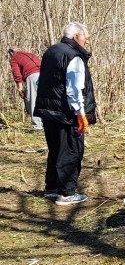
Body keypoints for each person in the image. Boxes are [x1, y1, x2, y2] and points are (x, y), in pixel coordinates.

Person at [33, 22, 96, 205]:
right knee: (71, 150)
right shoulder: (73, 56)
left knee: (55, 149)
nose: (87, 40)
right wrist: (80, 113)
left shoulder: (51, 51)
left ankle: (52, 188)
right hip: (65, 113)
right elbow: (74, 90)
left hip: (47, 111)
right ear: (76, 37)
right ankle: (67, 192)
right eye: (85, 37)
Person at [8, 47, 43, 130]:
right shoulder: (31, 55)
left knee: (33, 100)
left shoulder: (14, 58)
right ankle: (46, 123)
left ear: (11, 53)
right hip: (43, 74)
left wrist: (20, 87)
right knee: (42, 100)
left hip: (32, 76)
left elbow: (16, 73)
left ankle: (38, 126)